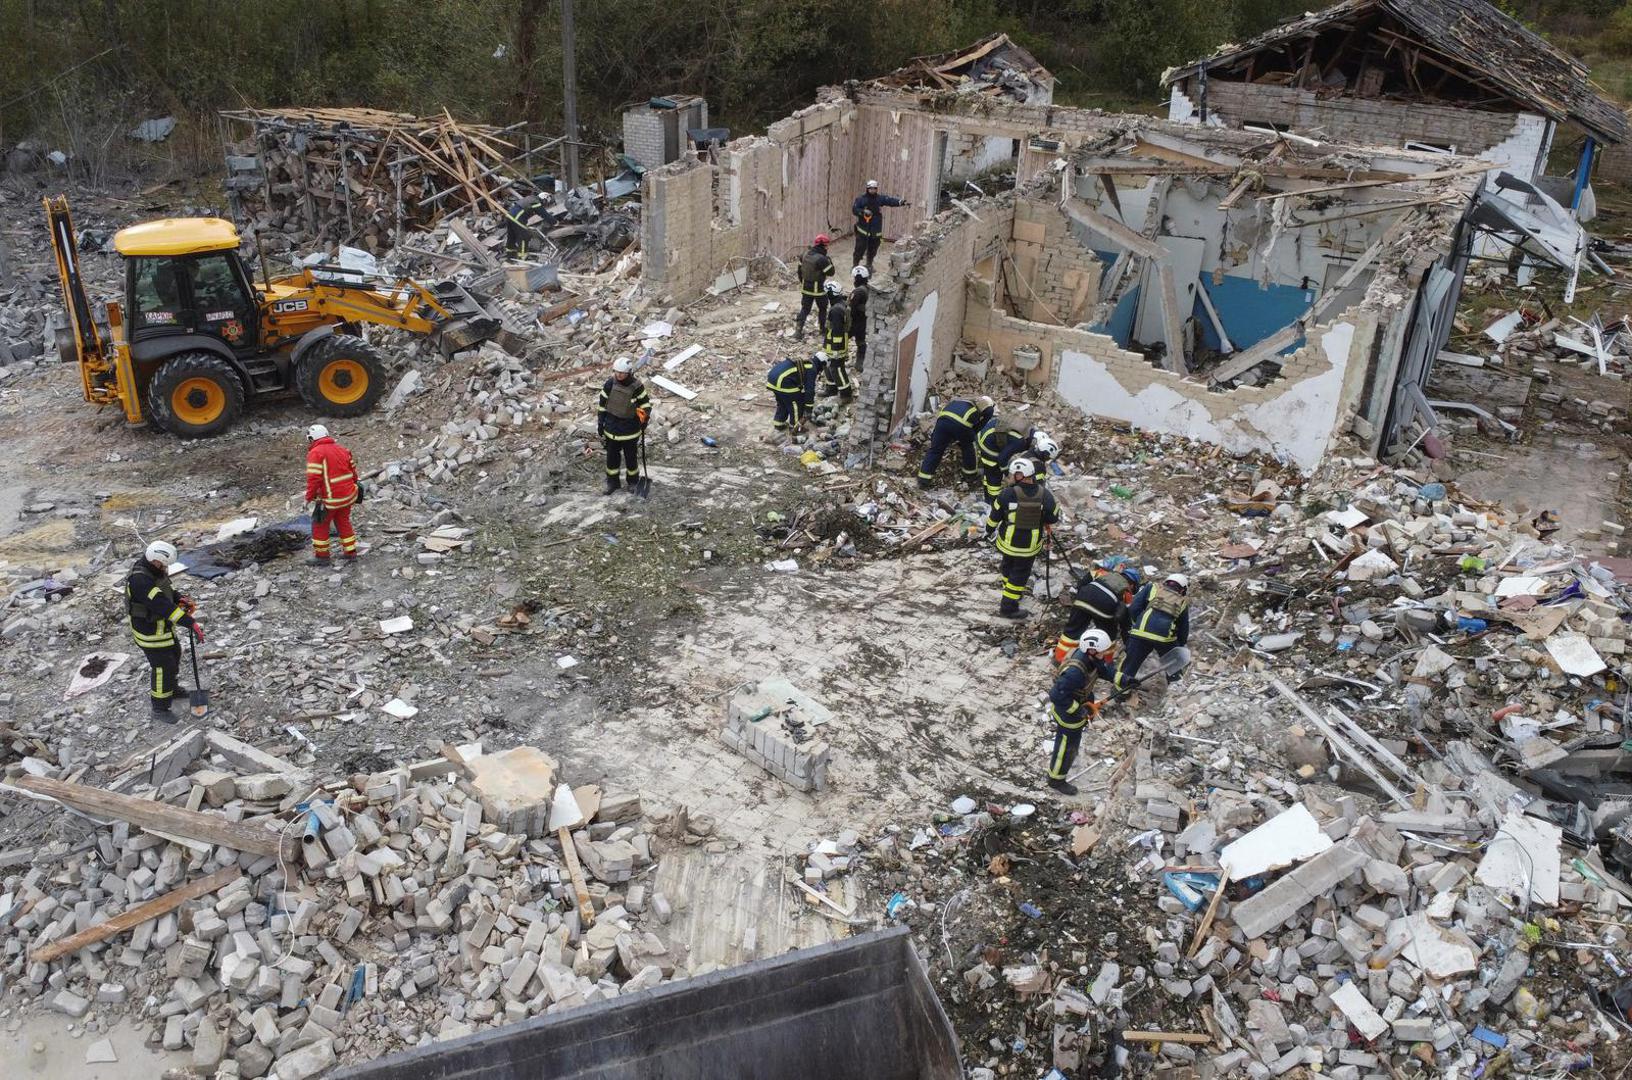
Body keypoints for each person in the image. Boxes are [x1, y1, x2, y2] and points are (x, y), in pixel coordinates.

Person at [125, 540, 202, 720]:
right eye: (164, 565)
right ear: (155, 561)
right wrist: (190, 622)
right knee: (163, 667)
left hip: (162, 629)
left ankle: (171, 689)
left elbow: (167, 589)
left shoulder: (154, 570)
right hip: (149, 632)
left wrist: (180, 598)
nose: (165, 569)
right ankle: (160, 708)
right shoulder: (140, 580)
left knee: (175, 654)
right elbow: (162, 606)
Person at [985, 457, 1060, 618]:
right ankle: (1009, 607)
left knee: (1007, 566)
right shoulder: (1045, 495)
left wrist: (988, 530)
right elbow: (1053, 517)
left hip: (1007, 542)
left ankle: (1010, 596)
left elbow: (994, 516)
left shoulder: (1007, 494)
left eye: (1013, 474)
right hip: (1028, 546)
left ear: (1020, 475)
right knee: (1019, 575)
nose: (1010, 477)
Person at [1046, 630, 1116, 795]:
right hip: (1068, 716)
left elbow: (1104, 671)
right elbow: (1056, 695)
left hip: (1078, 706)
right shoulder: (1075, 673)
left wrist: (1123, 679)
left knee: (1071, 745)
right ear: (1092, 651)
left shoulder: (1089, 657)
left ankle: (1060, 772)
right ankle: (1055, 780)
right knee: (1064, 748)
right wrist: (1078, 710)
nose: (1105, 654)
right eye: (1103, 651)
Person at [1113, 573, 1192, 695]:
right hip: (1164, 639)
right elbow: (1183, 629)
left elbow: (1134, 608)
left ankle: (1120, 693)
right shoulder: (1182, 602)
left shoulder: (1152, 588)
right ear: (1182, 589)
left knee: (1129, 665)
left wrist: (1138, 623)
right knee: (1173, 663)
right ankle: (1175, 690)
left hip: (1140, 633)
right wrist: (1179, 646)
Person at [1054, 558, 1142, 663]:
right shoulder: (1126, 592)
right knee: (1109, 635)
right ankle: (1105, 663)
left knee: (1072, 630)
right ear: (1132, 584)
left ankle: (1060, 658)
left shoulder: (1103, 573)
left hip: (1083, 598)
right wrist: (1128, 642)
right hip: (1104, 607)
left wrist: (1082, 594)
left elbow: (1084, 580)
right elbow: (1125, 621)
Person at [305, 425, 361, 563]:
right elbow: (354, 473)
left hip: (331, 499)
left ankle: (322, 557)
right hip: (348, 496)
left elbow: (314, 479)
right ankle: (351, 552)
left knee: (320, 525)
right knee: (343, 521)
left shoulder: (316, 453)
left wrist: (308, 498)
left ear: (312, 438)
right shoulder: (343, 449)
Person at [597, 356, 652, 493]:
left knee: (631, 458)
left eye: (621, 373)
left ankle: (633, 482)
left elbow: (645, 404)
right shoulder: (610, 384)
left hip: (630, 430)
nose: (618, 375)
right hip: (612, 429)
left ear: (629, 372)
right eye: (616, 372)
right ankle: (612, 483)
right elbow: (602, 404)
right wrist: (600, 422)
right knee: (611, 458)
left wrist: (643, 418)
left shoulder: (637, 386)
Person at [916, 395, 994, 489]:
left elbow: (947, 421)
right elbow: (978, 426)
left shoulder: (962, 401)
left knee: (935, 450)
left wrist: (941, 439)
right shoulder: (985, 409)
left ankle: (923, 480)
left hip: (942, 421)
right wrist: (969, 437)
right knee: (969, 447)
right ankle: (970, 475)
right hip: (961, 424)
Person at [976, 413, 1031, 505]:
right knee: (994, 475)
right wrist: (1008, 474)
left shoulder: (1026, 431)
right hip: (988, 445)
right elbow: (1002, 459)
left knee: (988, 473)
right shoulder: (1020, 442)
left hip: (984, 435)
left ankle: (987, 498)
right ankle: (994, 502)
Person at [852, 180, 907, 271]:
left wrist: (900, 202)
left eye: (875, 189)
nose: (873, 190)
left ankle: (869, 265)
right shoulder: (861, 199)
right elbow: (854, 210)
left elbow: (889, 201)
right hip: (863, 230)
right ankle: (855, 266)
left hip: (875, 230)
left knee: (873, 250)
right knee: (859, 249)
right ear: (867, 189)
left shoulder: (879, 198)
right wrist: (863, 212)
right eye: (871, 189)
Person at [795, 235, 836, 341]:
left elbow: (799, 270)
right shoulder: (822, 259)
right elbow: (831, 272)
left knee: (805, 309)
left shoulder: (804, 254)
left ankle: (798, 331)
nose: (828, 248)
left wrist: (803, 282)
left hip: (806, 287)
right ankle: (822, 330)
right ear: (824, 246)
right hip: (819, 289)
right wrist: (829, 261)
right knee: (822, 309)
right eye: (827, 246)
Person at [767, 354, 813, 436]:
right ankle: (795, 427)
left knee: (782, 402)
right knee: (796, 404)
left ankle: (779, 423)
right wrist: (809, 407)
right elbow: (809, 390)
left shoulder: (803, 363)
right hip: (783, 380)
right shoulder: (811, 368)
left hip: (772, 379)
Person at [821, 281, 853, 399]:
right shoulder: (840, 304)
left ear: (831, 293)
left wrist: (835, 349)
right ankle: (831, 390)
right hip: (832, 343)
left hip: (835, 345)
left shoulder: (836, 310)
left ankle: (846, 395)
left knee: (837, 369)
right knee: (828, 366)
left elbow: (838, 331)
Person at [849, 265, 871, 370]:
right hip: (863, 321)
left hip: (855, 321)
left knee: (841, 338)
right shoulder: (868, 289)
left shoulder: (857, 292)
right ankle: (860, 362)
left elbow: (851, 308)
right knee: (861, 341)